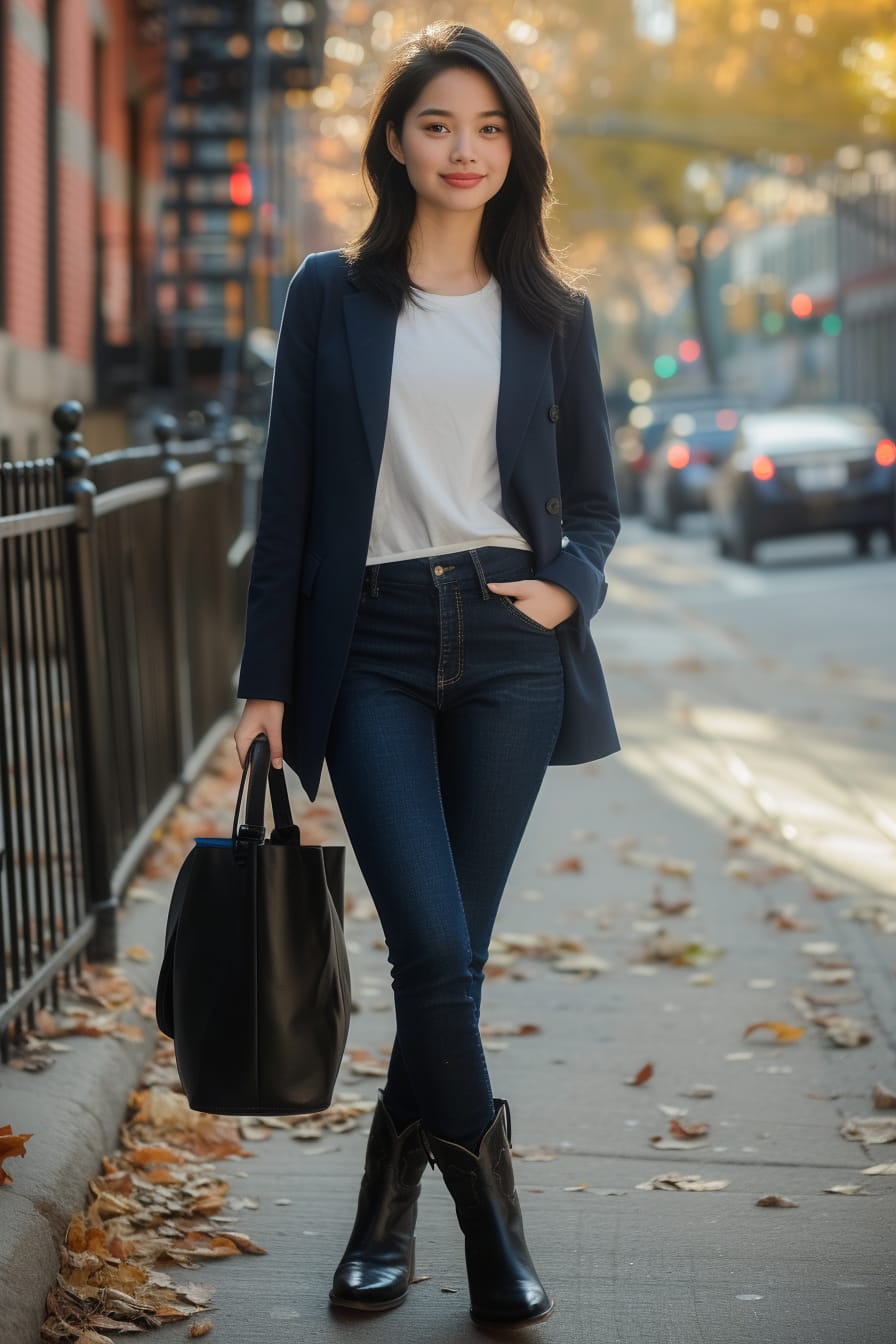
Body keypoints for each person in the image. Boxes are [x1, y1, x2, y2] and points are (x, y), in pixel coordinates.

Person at [233, 20, 620, 1329]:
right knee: (435, 949)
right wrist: (265, 680)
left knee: (450, 963)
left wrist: (570, 588)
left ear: (517, 148)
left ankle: (384, 1202)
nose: (468, 149)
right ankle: (489, 1226)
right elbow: (287, 499)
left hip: (512, 648)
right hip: (374, 652)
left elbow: (600, 506)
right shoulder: (330, 294)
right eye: (442, 124)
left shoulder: (550, 313)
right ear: (396, 141)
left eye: (492, 127)